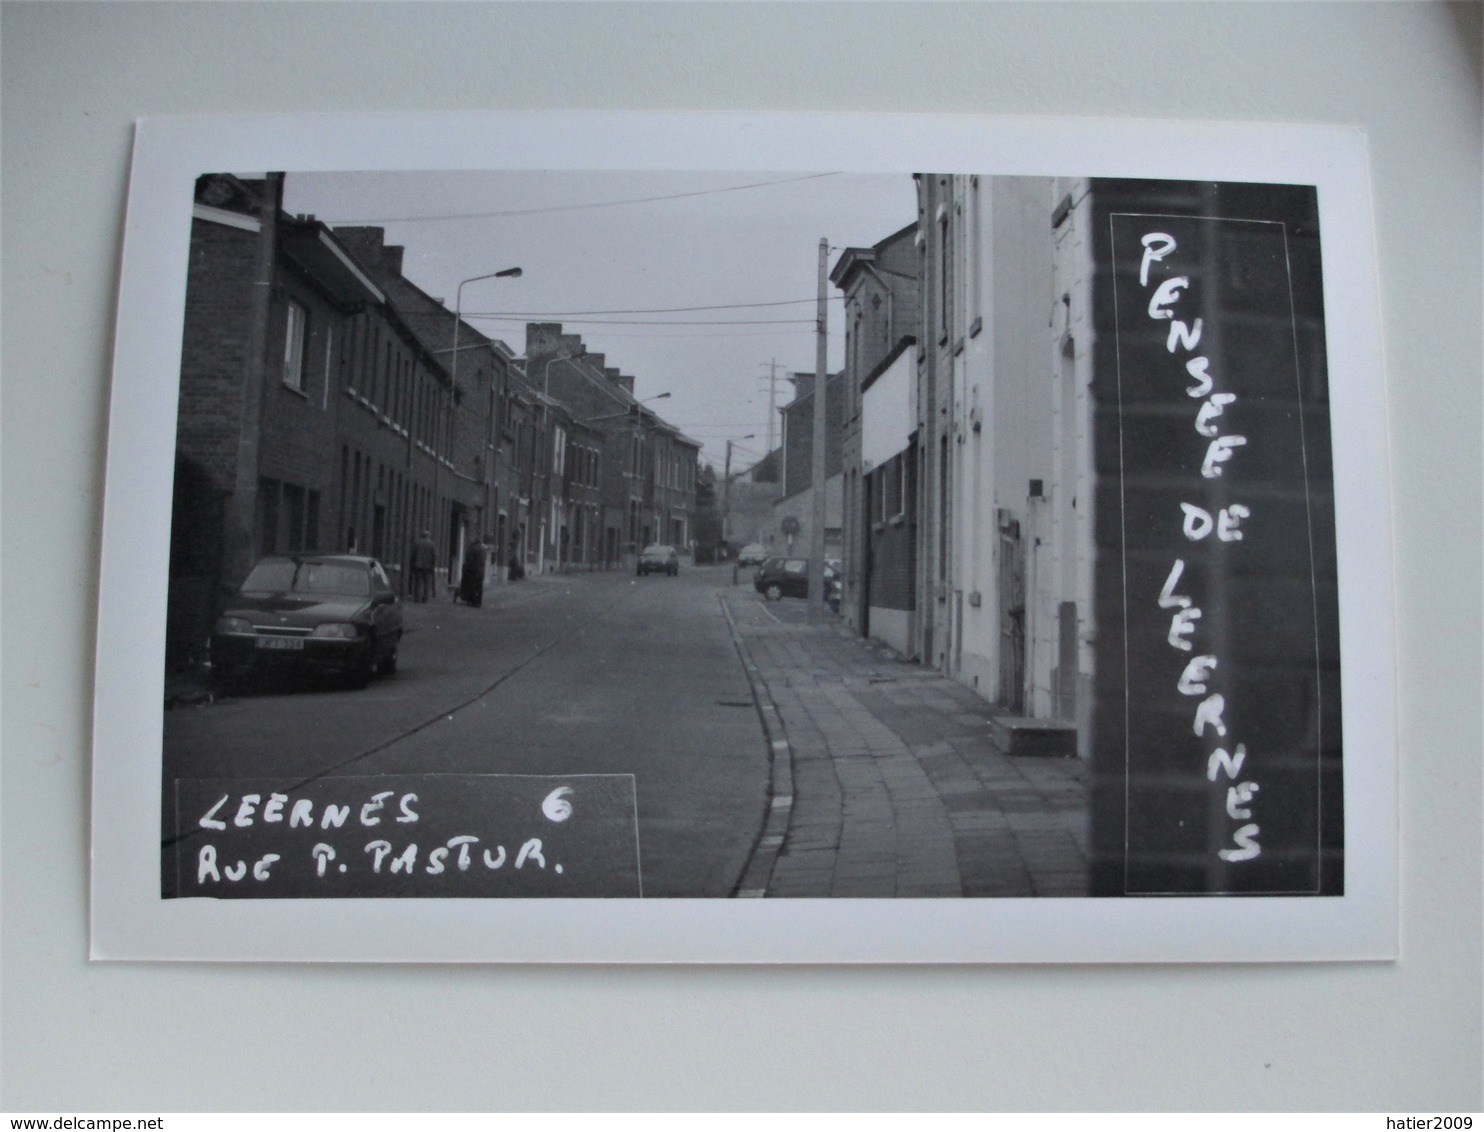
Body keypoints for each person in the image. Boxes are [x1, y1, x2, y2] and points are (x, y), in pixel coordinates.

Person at [457, 533, 486, 607]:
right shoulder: (483, 549)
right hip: (481, 571)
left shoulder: (472, 549)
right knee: (479, 587)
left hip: (473, 571)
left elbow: (469, 561)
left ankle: (473, 601)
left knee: (472, 586)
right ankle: (479, 602)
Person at [410, 529, 436, 602]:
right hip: (428, 567)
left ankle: (417, 598)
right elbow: (434, 556)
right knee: (427, 583)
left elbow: (413, 555)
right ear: (428, 536)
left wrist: (412, 565)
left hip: (418, 566)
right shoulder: (432, 544)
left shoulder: (417, 543)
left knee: (418, 582)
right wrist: (433, 565)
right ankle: (425, 599)